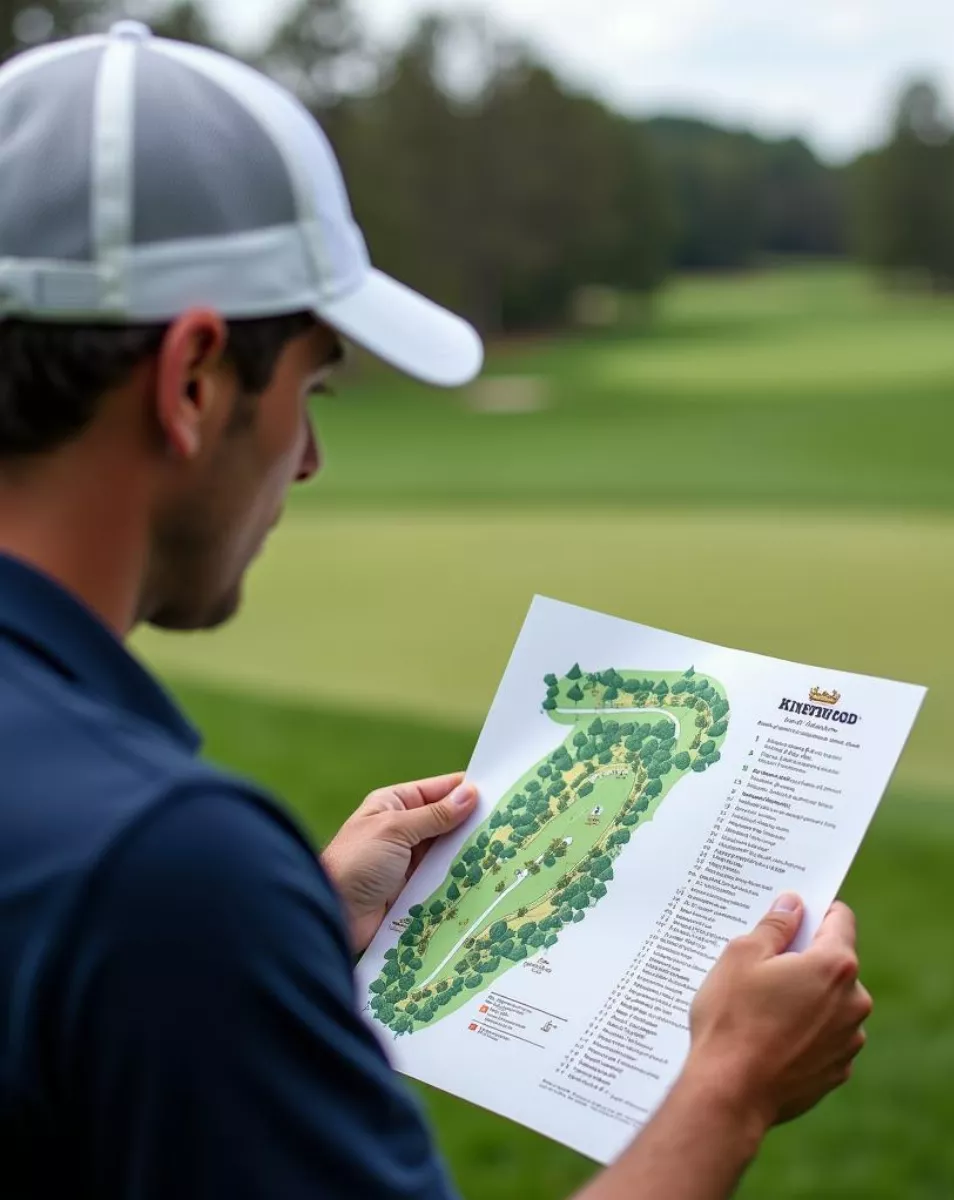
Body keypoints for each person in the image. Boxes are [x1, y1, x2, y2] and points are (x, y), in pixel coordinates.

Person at [0, 22, 872, 1200]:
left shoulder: (132, 881)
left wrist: (286, 929)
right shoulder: (159, 866)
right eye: (309, 389)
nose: (305, 460)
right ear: (194, 380)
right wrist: (731, 1088)